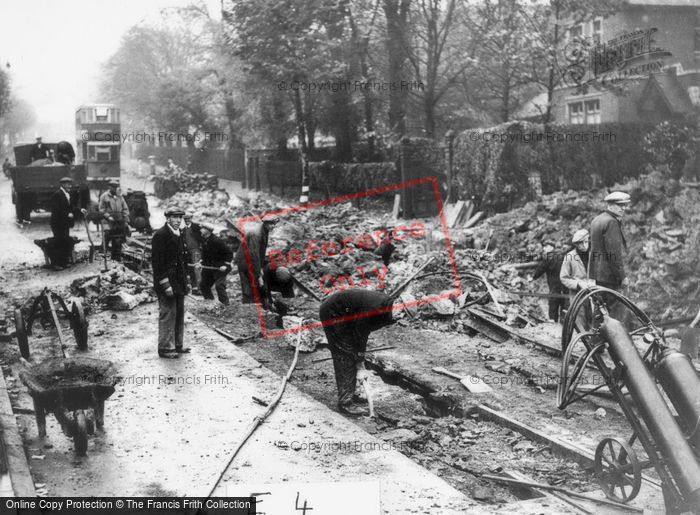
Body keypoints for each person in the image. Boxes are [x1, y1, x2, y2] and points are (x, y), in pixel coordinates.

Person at [319, 289, 395, 416]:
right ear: (400, 306)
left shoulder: (387, 307)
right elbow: (361, 333)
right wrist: (360, 360)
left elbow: (361, 331)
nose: (399, 317)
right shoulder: (376, 308)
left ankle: (351, 393)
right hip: (333, 313)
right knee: (344, 353)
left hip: (346, 314)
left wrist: (359, 355)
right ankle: (345, 402)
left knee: (351, 350)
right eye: (403, 312)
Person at [151, 207, 190, 358]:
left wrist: (186, 280)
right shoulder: (160, 235)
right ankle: (165, 348)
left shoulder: (178, 233)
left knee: (179, 313)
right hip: (167, 282)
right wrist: (165, 284)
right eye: (175, 217)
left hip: (178, 281)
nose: (178, 220)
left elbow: (181, 261)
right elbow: (158, 263)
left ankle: (177, 344)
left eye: (180, 218)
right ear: (167, 218)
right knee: (168, 313)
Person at [589, 191, 631, 324]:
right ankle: (613, 343)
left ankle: (596, 341)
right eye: (620, 205)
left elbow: (594, 249)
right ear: (611, 206)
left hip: (598, 274)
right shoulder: (612, 222)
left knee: (600, 308)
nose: (624, 208)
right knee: (615, 311)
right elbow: (614, 255)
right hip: (610, 276)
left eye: (625, 205)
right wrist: (622, 276)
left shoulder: (598, 219)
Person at [235, 214, 278, 305]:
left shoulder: (264, 230)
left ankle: (255, 305)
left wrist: (260, 268)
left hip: (251, 261)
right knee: (248, 285)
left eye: (274, 224)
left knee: (254, 284)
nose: (273, 226)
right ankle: (249, 307)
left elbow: (259, 252)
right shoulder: (256, 233)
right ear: (265, 223)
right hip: (245, 261)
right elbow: (254, 254)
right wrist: (258, 273)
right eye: (271, 224)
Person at [560, 229, 594, 328]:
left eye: (586, 242)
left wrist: (594, 282)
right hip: (577, 294)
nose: (584, 245)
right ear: (576, 244)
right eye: (581, 243)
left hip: (593, 292)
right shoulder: (570, 256)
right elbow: (563, 277)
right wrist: (578, 283)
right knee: (580, 319)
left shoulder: (594, 255)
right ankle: (582, 341)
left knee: (595, 318)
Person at [530, 240, 568, 323]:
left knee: (553, 306)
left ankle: (553, 324)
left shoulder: (548, 257)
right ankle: (563, 325)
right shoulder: (562, 256)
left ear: (551, 247)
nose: (544, 248)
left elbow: (540, 269)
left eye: (545, 246)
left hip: (554, 286)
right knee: (564, 306)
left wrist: (533, 277)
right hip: (565, 286)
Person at [199, 223, 233, 305]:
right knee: (204, 285)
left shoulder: (217, 241)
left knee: (219, 286)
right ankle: (210, 302)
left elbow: (229, 253)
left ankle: (225, 305)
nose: (200, 230)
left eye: (202, 228)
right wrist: (201, 261)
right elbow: (206, 253)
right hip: (208, 268)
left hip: (219, 268)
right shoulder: (204, 239)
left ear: (208, 231)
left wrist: (226, 265)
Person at [49, 177, 78, 269]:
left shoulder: (67, 194)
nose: (70, 186)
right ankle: (55, 264)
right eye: (67, 184)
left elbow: (71, 207)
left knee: (64, 241)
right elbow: (56, 210)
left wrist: (80, 210)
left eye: (70, 184)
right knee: (58, 242)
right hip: (57, 223)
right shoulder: (57, 194)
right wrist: (67, 215)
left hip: (65, 223)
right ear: (62, 185)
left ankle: (63, 262)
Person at [99, 180, 130, 260]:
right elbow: (101, 209)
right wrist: (108, 216)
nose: (114, 188)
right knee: (107, 233)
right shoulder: (104, 196)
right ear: (109, 187)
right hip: (108, 221)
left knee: (119, 238)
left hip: (119, 220)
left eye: (116, 187)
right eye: (112, 187)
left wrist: (126, 220)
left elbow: (125, 209)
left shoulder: (120, 197)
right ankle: (103, 253)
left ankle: (116, 257)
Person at [182, 210, 203, 294]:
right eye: (185, 219)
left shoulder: (196, 227)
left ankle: (200, 288)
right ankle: (194, 288)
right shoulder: (183, 229)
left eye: (188, 218)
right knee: (190, 269)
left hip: (196, 251)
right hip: (188, 252)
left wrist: (201, 248)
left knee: (197, 269)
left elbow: (201, 239)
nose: (186, 220)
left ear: (191, 218)